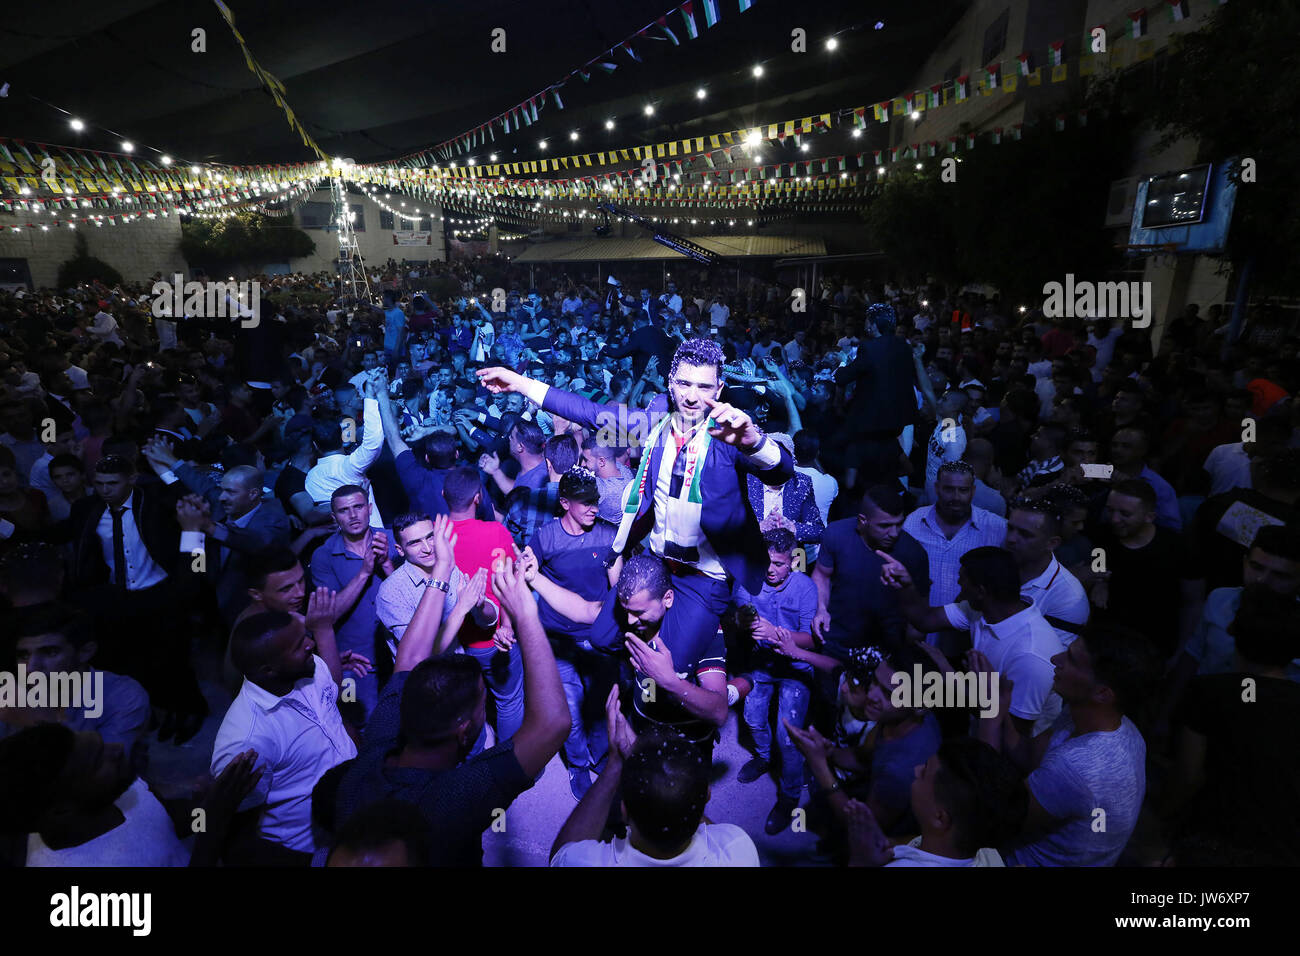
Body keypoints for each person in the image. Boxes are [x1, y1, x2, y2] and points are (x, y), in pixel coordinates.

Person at [480, 338, 794, 665]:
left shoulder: (727, 433)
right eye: (684, 383)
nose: (691, 396)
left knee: (667, 665)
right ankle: (668, 638)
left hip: (705, 575)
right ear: (670, 383)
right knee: (602, 638)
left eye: (703, 387)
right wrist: (518, 383)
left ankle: (708, 639)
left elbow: (781, 472)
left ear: (719, 388)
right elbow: (589, 412)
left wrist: (754, 442)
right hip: (656, 561)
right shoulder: (653, 425)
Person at [334, 541, 570, 866]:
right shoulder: (454, 797)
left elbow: (411, 660)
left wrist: (441, 570)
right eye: (481, 706)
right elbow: (552, 724)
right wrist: (526, 613)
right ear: (464, 731)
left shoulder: (371, 753)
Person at [977, 624, 1158, 867]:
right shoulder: (1109, 723)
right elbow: (1026, 754)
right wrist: (1000, 706)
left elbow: (984, 816)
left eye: (1071, 660)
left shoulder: (1075, 768)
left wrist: (988, 711)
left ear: (1103, 693)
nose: (1055, 659)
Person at [210, 598, 355, 864]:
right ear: (268, 670)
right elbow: (238, 837)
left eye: (305, 637)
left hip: (352, 812)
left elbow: (333, 712)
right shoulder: (246, 741)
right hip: (308, 849)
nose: (311, 644)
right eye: (299, 646)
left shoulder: (310, 666)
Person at [1166, 591, 1300, 864]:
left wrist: (1164, 813)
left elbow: (1189, 776)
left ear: (1232, 632)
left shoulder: (1208, 693)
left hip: (1212, 841)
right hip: (1282, 848)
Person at [880, 545, 1065, 737]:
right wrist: (906, 586)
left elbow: (1012, 734)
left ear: (981, 591)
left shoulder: (1031, 655)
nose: (959, 589)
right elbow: (925, 619)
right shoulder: (982, 609)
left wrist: (948, 675)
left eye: (962, 583)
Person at [550, 698, 759, 867]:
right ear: (707, 795)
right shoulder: (739, 850)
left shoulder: (583, 861)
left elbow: (561, 853)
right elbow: (697, 817)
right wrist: (682, 794)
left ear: (624, 811)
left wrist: (615, 766)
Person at [527, 466, 620, 800]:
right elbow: (526, 577)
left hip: (599, 637)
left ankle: (602, 755)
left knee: (599, 704)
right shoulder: (545, 537)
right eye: (584, 502)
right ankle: (578, 766)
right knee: (571, 711)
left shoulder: (608, 534)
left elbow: (618, 588)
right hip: (558, 640)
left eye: (595, 500)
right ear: (565, 502)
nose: (593, 508)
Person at [732, 529, 819, 833]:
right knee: (752, 717)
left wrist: (775, 635)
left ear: (793, 561)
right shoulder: (750, 582)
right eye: (767, 561)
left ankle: (789, 796)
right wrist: (743, 623)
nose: (772, 569)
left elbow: (812, 639)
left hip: (797, 666)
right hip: (763, 664)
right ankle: (763, 758)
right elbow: (740, 617)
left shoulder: (805, 587)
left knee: (788, 735)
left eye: (780, 564)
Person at [442, 466, 527, 743]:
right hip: (490, 642)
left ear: (444, 495)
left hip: (451, 644)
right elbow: (505, 583)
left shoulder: (434, 537)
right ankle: (508, 764)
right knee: (509, 700)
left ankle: (473, 759)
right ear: (478, 497)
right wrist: (506, 624)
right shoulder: (495, 533)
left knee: (465, 706)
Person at [2, 604, 150, 752]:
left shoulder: (122, 696)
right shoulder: (12, 695)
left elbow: (110, 769)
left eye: (50, 652)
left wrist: (43, 722)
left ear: (85, 652)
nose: (31, 667)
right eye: (24, 656)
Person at [308, 485, 399, 726]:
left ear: (369, 509)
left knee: (401, 725)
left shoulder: (392, 539)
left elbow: (415, 600)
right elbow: (329, 616)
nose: (353, 515)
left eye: (358, 507)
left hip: (397, 656)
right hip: (354, 665)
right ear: (334, 517)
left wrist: (387, 564)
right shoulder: (323, 555)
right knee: (356, 724)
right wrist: (364, 572)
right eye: (344, 510)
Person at [902, 461, 1007, 652]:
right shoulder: (914, 522)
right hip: (917, 634)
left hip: (969, 640)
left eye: (963, 490)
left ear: (973, 491)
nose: (956, 497)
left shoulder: (997, 529)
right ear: (937, 488)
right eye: (949, 489)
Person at [1002, 499, 1090, 645]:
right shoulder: (998, 563)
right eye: (1010, 528)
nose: (1011, 539)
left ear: (1051, 543)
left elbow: (1053, 661)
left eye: (1025, 534)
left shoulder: (1070, 598)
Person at [305, 379, 385, 529]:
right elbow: (374, 439)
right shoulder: (351, 465)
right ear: (343, 438)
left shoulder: (311, 477)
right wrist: (369, 396)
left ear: (315, 445)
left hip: (340, 544)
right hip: (374, 538)